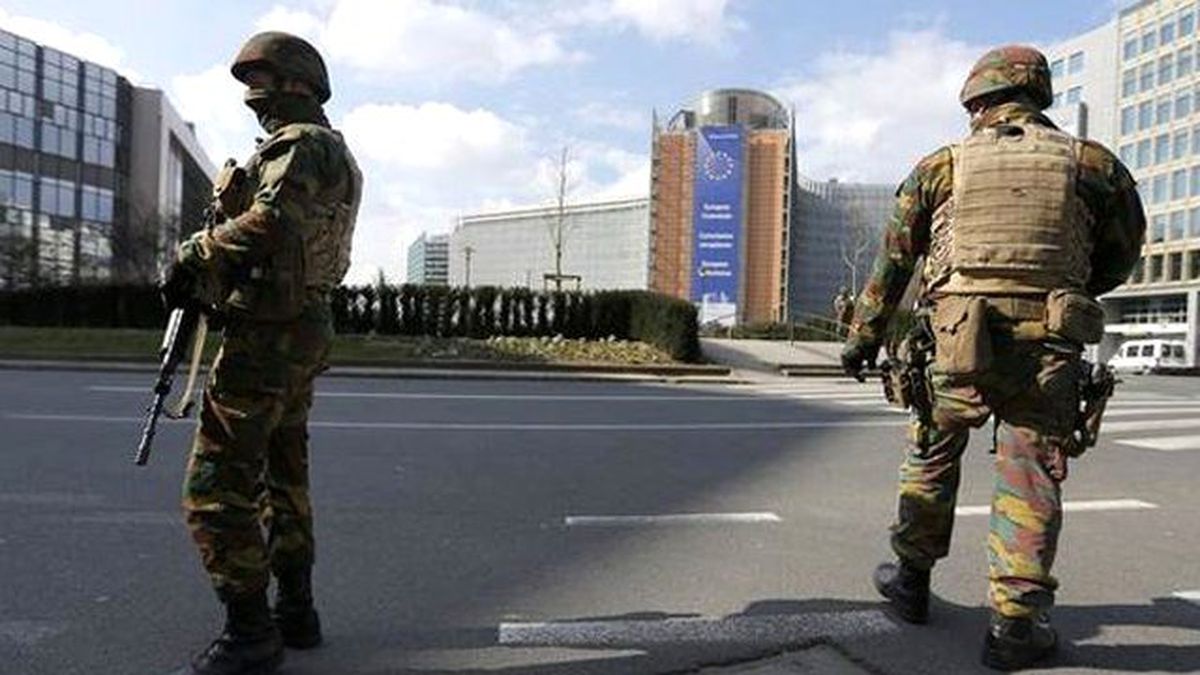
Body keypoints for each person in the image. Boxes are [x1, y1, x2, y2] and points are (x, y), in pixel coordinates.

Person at [840, 45, 1145, 670]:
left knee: (931, 455)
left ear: (974, 101)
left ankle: (911, 583)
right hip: (1048, 349)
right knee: (1030, 477)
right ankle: (1014, 626)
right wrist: (1069, 285)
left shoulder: (940, 166)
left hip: (954, 341)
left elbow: (894, 260)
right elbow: (1121, 254)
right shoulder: (1094, 166)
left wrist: (863, 337)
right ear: (1042, 98)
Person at [161, 31, 362, 675]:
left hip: (269, 335)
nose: (255, 95)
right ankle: (295, 613)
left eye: (264, 81)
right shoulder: (325, 148)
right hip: (297, 328)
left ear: (299, 84)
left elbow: (274, 223)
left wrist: (196, 251)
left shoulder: (303, 146)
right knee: (284, 474)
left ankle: (251, 632)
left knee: (214, 489)